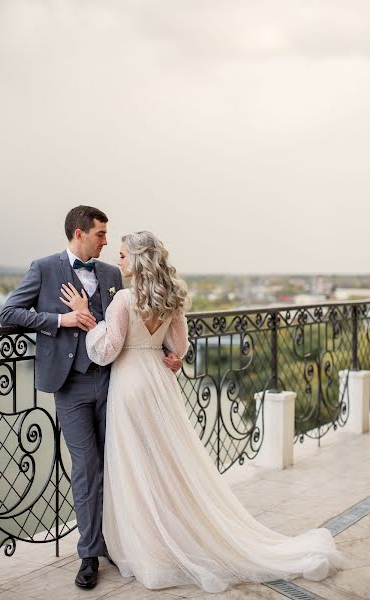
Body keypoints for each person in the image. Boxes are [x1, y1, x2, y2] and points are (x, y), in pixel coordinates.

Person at [59, 230, 344, 595]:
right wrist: (167, 355)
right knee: (164, 463)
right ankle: (170, 532)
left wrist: (85, 317)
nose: (119, 261)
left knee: (134, 466)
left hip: (129, 386)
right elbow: (178, 347)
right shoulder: (171, 300)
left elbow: (107, 350)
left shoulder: (123, 301)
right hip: (159, 384)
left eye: (124, 256)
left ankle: (147, 542)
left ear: (139, 261)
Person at [0, 208, 182, 590]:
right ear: (79, 233)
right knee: (86, 469)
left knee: (118, 463)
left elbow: (138, 323)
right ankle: (88, 554)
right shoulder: (45, 268)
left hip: (116, 382)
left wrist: (176, 354)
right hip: (71, 386)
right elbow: (9, 312)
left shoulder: (113, 275)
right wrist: (60, 321)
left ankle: (118, 542)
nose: (105, 241)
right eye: (100, 234)